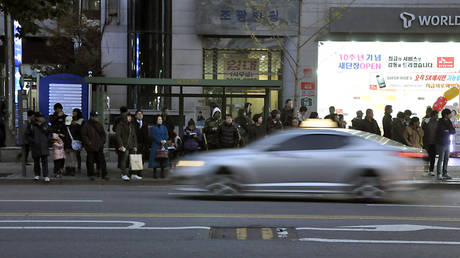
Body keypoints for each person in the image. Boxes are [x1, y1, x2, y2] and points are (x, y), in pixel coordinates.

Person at [81, 111, 108, 180]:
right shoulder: (86, 125)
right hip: (90, 147)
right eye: (95, 116)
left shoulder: (99, 125)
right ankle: (91, 174)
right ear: (91, 117)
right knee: (90, 161)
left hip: (99, 146)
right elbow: (84, 136)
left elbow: (103, 134)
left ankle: (103, 173)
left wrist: (102, 142)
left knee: (101, 161)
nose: (97, 118)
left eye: (97, 116)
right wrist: (89, 143)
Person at [115, 112, 139, 181]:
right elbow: (118, 136)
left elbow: (134, 136)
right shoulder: (120, 125)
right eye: (128, 116)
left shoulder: (131, 125)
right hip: (124, 146)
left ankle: (133, 174)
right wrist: (121, 145)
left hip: (131, 145)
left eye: (130, 116)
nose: (130, 118)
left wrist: (135, 145)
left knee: (133, 160)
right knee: (124, 160)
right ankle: (124, 174)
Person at [27, 113, 50, 182]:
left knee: (44, 162)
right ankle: (37, 175)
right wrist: (33, 141)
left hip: (44, 146)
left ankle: (46, 175)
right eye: (41, 117)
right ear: (37, 118)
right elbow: (27, 135)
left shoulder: (46, 125)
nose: (42, 119)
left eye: (42, 117)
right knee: (36, 162)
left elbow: (49, 133)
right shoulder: (32, 125)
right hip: (35, 146)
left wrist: (48, 141)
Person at [435, 109, 456, 180]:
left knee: (446, 159)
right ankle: (439, 174)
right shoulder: (440, 121)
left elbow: (453, 131)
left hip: (447, 142)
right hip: (441, 143)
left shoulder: (449, 121)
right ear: (446, 115)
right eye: (450, 114)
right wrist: (447, 131)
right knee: (440, 159)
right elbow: (441, 131)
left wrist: (447, 131)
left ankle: (445, 173)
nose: (451, 115)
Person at [423, 110, 438, 176]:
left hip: (434, 142)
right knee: (426, 157)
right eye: (436, 115)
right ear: (433, 115)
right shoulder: (426, 121)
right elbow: (422, 130)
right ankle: (425, 170)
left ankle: (431, 170)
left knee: (433, 157)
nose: (437, 116)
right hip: (427, 142)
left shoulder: (437, 122)